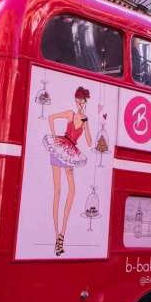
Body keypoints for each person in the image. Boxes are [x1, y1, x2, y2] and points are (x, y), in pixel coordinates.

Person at [45, 87, 93, 256]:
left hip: (71, 151)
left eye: (82, 101)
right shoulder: (70, 114)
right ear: (76, 100)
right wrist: (54, 138)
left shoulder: (84, 119)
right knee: (58, 190)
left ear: (86, 102)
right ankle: (56, 234)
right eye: (78, 100)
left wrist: (86, 124)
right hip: (61, 147)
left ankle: (61, 236)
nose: (80, 103)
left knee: (72, 190)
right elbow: (51, 118)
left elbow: (89, 142)